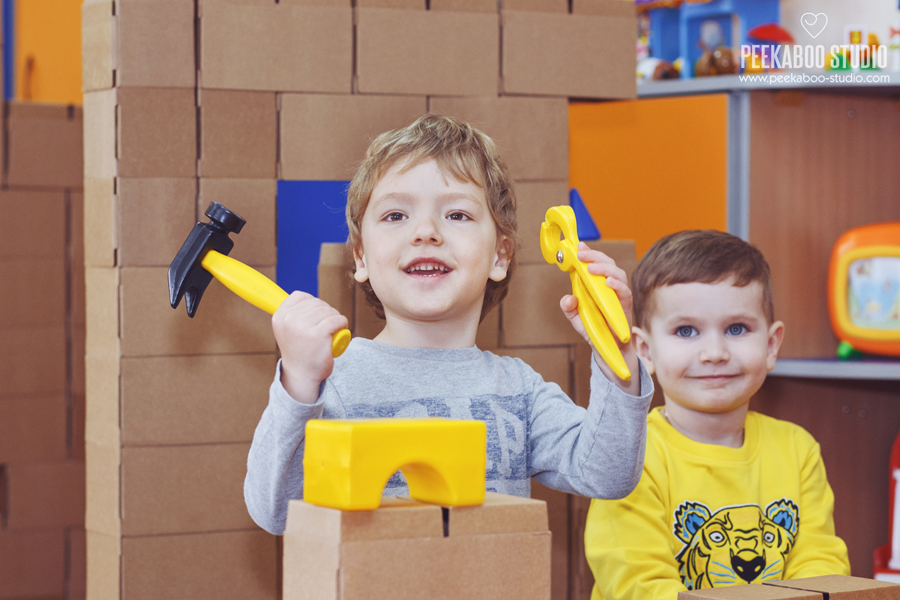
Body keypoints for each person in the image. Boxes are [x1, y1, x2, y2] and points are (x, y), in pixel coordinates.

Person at [244, 114, 654, 535]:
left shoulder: (519, 391)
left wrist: (617, 354)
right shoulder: (331, 384)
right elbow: (277, 514)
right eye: (396, 216)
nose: (426, 232)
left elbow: (606, 474)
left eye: (457, 215)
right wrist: (298, 383)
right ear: (361, 256)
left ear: (500, 256)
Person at [585, 230, 850, 600]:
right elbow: (638, 583)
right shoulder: (629, 457)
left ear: (771, 345)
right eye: (686, 331)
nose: (715, 352)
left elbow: (820, 565)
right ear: (645, 350)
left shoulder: (797, 449)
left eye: (736, 329)